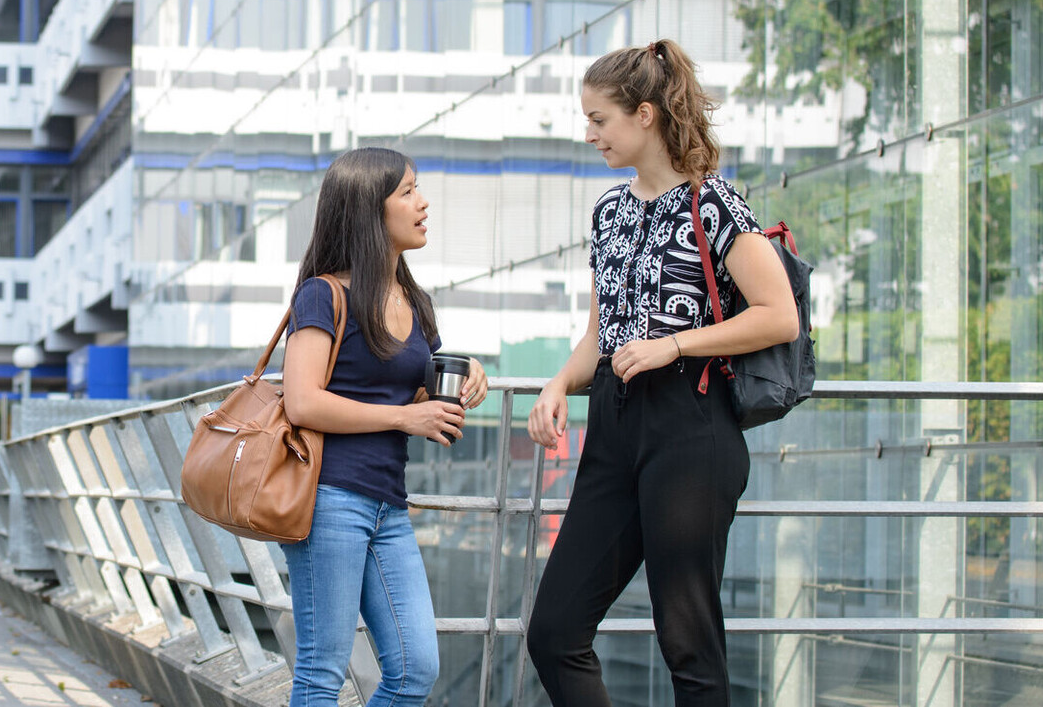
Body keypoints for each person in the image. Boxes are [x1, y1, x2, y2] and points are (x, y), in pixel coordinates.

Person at [524, 39, 799, 706]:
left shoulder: (717, 205)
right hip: (615, 426)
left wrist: (675, 346)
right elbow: (602, 333)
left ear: (645, 115)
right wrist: (560, 381)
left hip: (691, 425)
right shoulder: (609, 213)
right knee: (554, 629)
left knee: (687, 641)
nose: (590, 135)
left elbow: (779, 315)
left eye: (600, 120)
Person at [279, 147, 489, 707]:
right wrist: (404, 417)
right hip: (328, 500)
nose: (423, 203)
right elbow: (301, 402)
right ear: (371, 209)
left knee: (415, 668)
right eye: (408, 192)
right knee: (323, 670)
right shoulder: (323, 294)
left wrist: (464, 376)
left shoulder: (413, 300)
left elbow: (415, 390)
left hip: (387, 505)